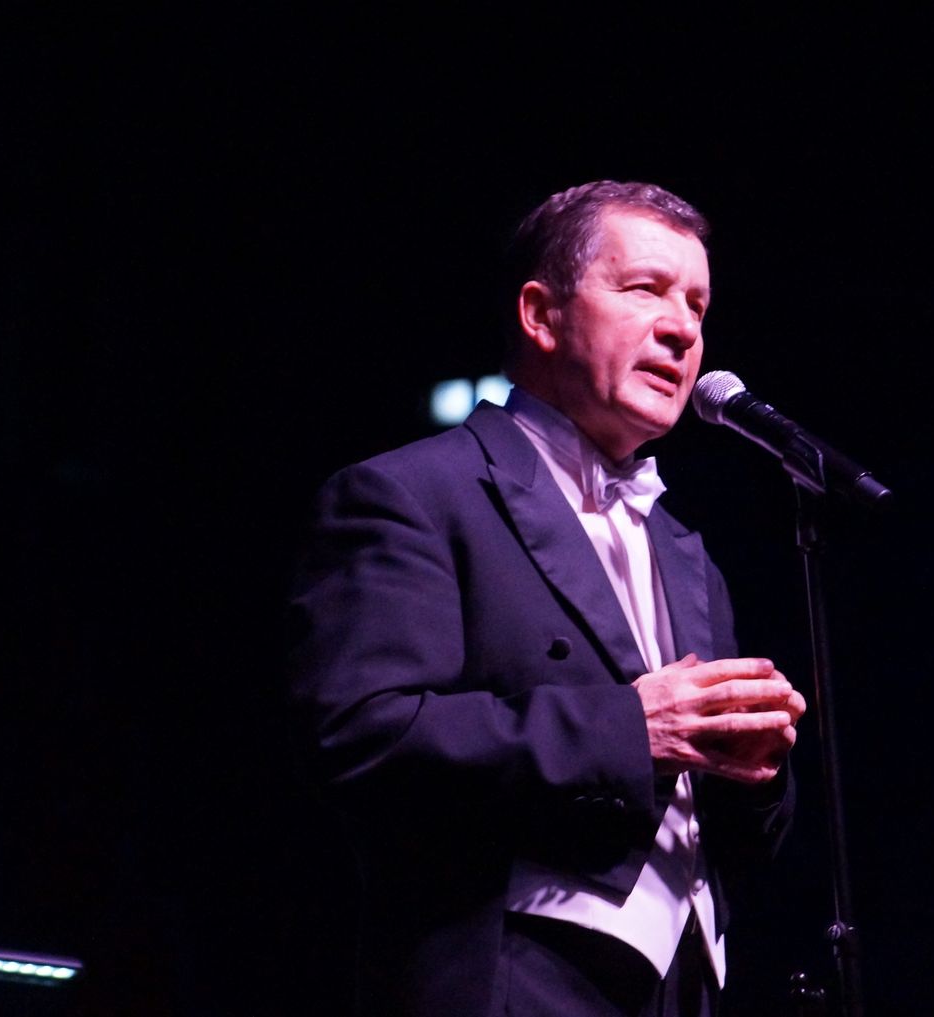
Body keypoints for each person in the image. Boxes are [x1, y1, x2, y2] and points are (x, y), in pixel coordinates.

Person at [287, 180, 806, 1017]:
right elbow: (362, 737)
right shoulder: (414, 493)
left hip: (687, 989)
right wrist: (632, 727)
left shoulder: (688, 552)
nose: (682, 328)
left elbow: (725, 837)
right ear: (540, 313)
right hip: (512, 974)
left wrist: (754, 773)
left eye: (697, 305)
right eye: (645, 289)